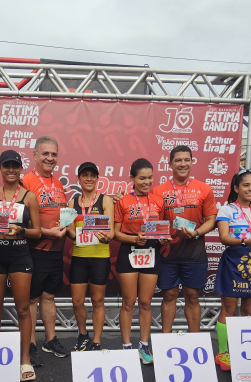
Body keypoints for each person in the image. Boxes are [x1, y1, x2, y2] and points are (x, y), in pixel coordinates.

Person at [0, 150, 42, 381]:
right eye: (6, 166)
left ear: (20, 169)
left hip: (19, 254)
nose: (10, 170)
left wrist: (21, 230)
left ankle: (25, 360)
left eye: (15, 166)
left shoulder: (29, 196)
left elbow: (36, 231)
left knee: (23, 309)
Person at [153, 146, 218, 334]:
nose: (183, 164)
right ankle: (165, 340)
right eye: (178, 160)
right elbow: (153, 221)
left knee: (192, 296)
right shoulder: (158, 191)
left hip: (194, 252)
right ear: (170, 163)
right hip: (168, 253)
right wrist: (160, 237)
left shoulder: (204, 188)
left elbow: (211, 220)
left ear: (192, 161)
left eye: (187, 160)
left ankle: (194, 340)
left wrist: (197, 233)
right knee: (169, 295)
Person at [213, 169, 251, 371]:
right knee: (228, 310)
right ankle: (223, 352)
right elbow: (224, 238)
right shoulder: (226, 210)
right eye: (246, 185)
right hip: (234, 263)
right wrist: (244, 241)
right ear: (236, 188)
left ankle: (245, 352)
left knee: (249, 311)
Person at [114, 158, 168, 364]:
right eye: (142, 178)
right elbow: (115, 234)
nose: (147, 182)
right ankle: (127, 346)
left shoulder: (158, 201)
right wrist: (134, 238)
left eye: (150, 177)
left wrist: (163, 237)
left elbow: (162, 228)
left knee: (145, 302)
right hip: (129, 250)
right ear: (132, 178)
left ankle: (144, 346)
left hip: (151, 252)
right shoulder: (123, 201)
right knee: (128, 302)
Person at [21, 136, 70, 361]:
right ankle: (30, 343)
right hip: (35, 249)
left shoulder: (58, 183)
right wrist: (46, 232)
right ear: (35, 155)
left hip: (56, 250)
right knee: (32, 299)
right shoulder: (27, 182)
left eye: (54, 154)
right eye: (45, 153)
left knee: (49, 296)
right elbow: (21, 221)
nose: (50, 158)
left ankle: (50, 340)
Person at [66, 162, 115, 352]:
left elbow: (110, 231)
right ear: (78, 178)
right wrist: (69, 230)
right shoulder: (72, 202)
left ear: (97, 178)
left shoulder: (105, 200)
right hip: (79, 256)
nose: (88, 178)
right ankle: (82, 334)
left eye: (92, 175)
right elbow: (70, 233)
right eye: (84, 175)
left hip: (100, 258)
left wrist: (106, 237)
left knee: (97, 301)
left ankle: (96, 340)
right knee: (77, 301)